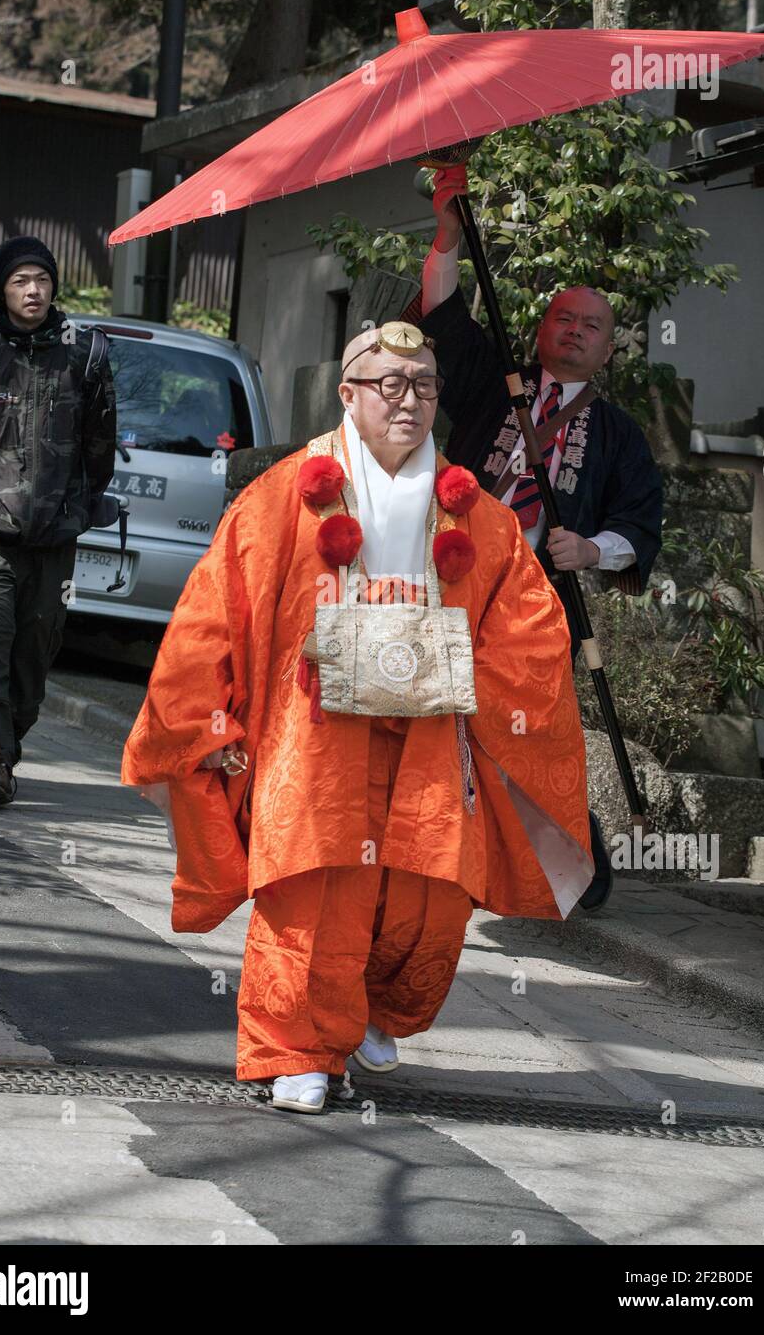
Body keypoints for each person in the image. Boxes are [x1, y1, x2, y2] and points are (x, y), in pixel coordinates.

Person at [122, 319, 594, 1115]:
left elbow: (528, 623)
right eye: (391, 386)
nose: (410, 403)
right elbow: (216, 610)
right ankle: (295, 1048)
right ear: (349, 394)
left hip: (433, 727)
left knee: (429, 891)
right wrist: (205, 719)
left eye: (426, 387)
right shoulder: (282, 496)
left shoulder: (474, 511)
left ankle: (376, 1008)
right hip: (315, 729)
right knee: (314, 878)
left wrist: (479, 672)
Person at [406, 166, 664, 911]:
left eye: (591, 327)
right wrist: (449, 236)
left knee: (528, 733)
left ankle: (572, 856)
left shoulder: (618, 436)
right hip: (449, 576)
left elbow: (641, 523)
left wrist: (591, 549)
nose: (574, 332)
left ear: (609, 349)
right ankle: (432, 845)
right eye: (563, 319)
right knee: (431, 710)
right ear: (543, 327)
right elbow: (443, 316)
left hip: (535, 600)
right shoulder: (497, 382)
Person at [0, 235, 116, 806]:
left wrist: (83, 503)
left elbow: (99, 442)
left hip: (55, 534)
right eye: (20, 281)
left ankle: (3, 752)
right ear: (2, 289)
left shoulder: (84, 354)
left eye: (41, 279)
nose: (33, 290)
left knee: (35, 651)